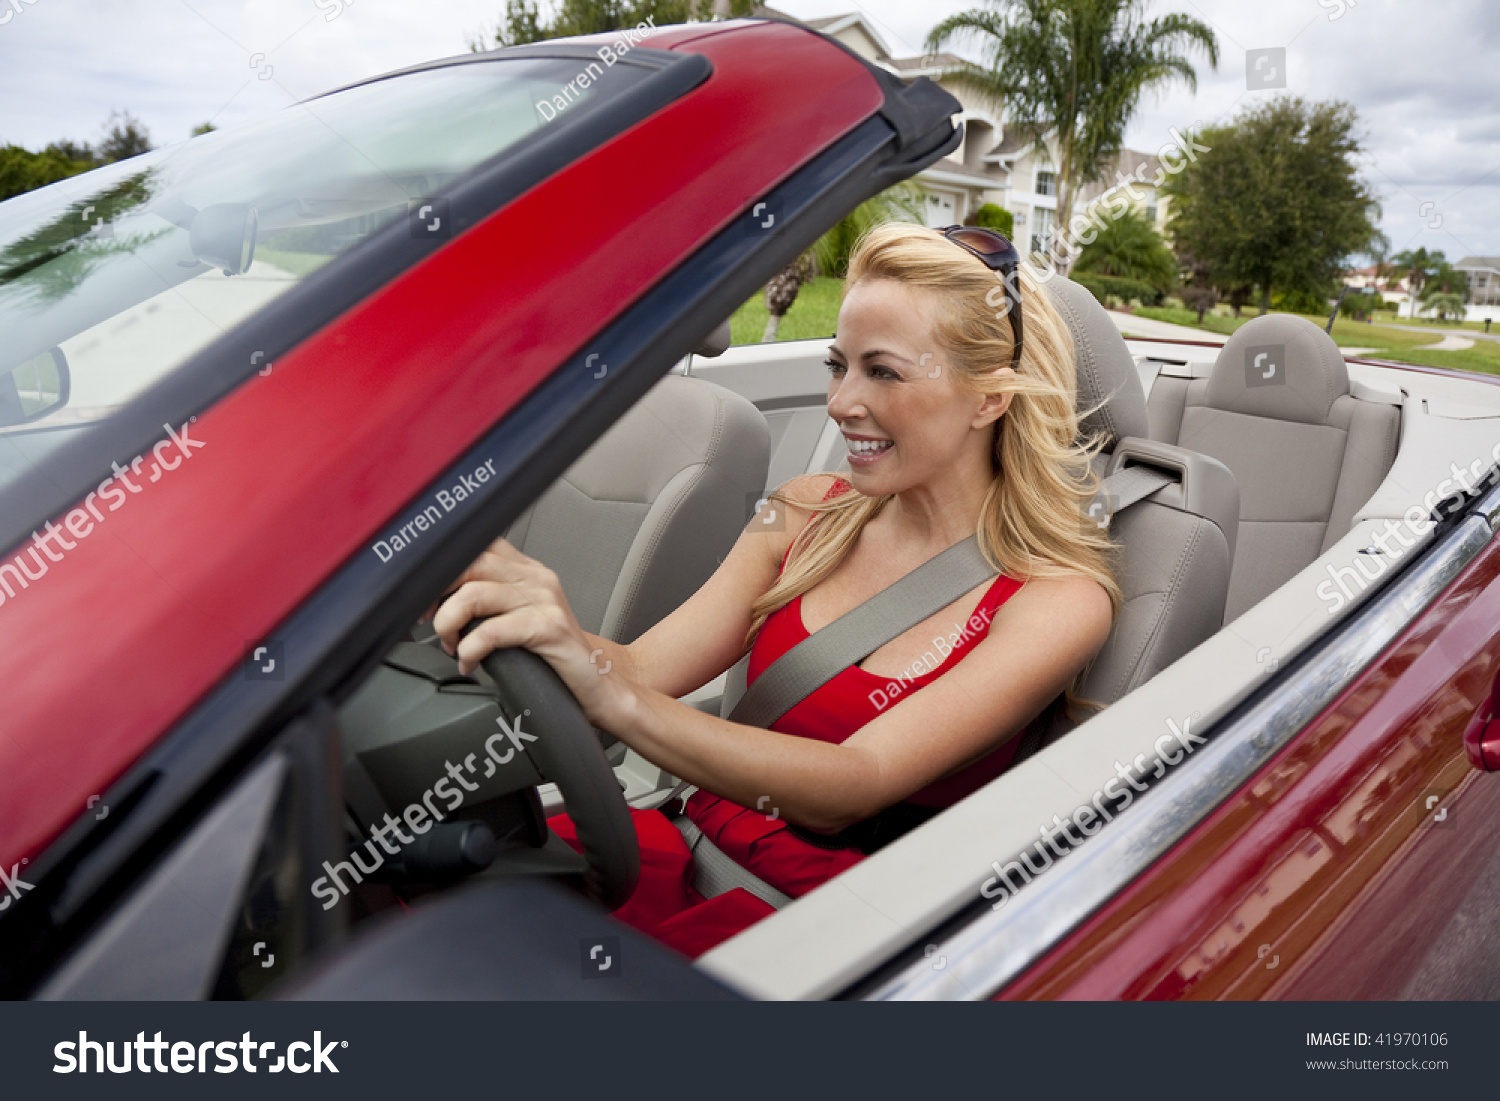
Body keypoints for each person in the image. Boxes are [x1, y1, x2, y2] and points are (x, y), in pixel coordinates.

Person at [431, 223, 1120, 957]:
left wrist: (616, 700)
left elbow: (856, 780)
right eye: (838, 365)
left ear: (987, 399)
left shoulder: (1058, 599)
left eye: (882, 371)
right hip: (682, 842)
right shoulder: (801, 509)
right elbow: (639, 670)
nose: (840, 401)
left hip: (813, 930)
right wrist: (530, 616)